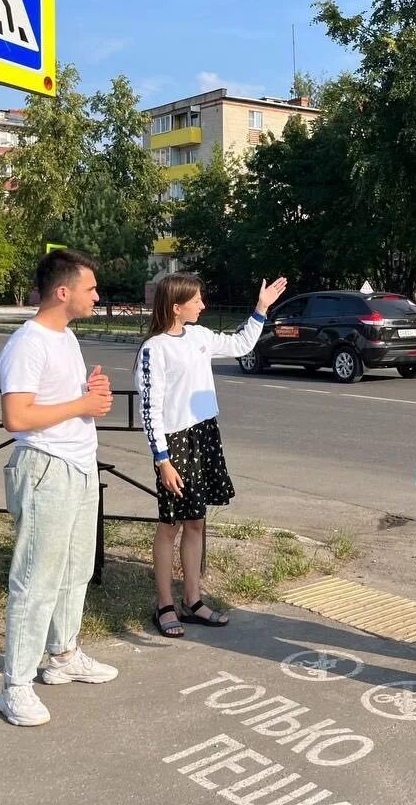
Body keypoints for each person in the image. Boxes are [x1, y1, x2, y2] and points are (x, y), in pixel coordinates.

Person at [0, 248, 117, 727]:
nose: (96, 296)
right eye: (90, 288)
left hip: (79, 466)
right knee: (35, 580)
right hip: (46, 468)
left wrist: (89, 394)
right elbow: (16, 417)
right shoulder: (29, 343)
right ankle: (15, 686)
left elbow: (63, 401)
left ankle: (63, 656)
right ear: (62, 292)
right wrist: (82, 404)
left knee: (75, 569)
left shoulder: (65, 338)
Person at [136, 272, 288, 639]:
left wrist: (261, 308)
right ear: (176, 306)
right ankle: (164, 604)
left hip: (204, 435)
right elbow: (150, 408)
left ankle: (193, 599)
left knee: (196, 522)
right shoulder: (154, 349)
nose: (203, 304)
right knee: (170, 525)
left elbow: (240, 345)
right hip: (175, 443)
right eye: (197, 300)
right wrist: (162, 458)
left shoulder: (200, 336)